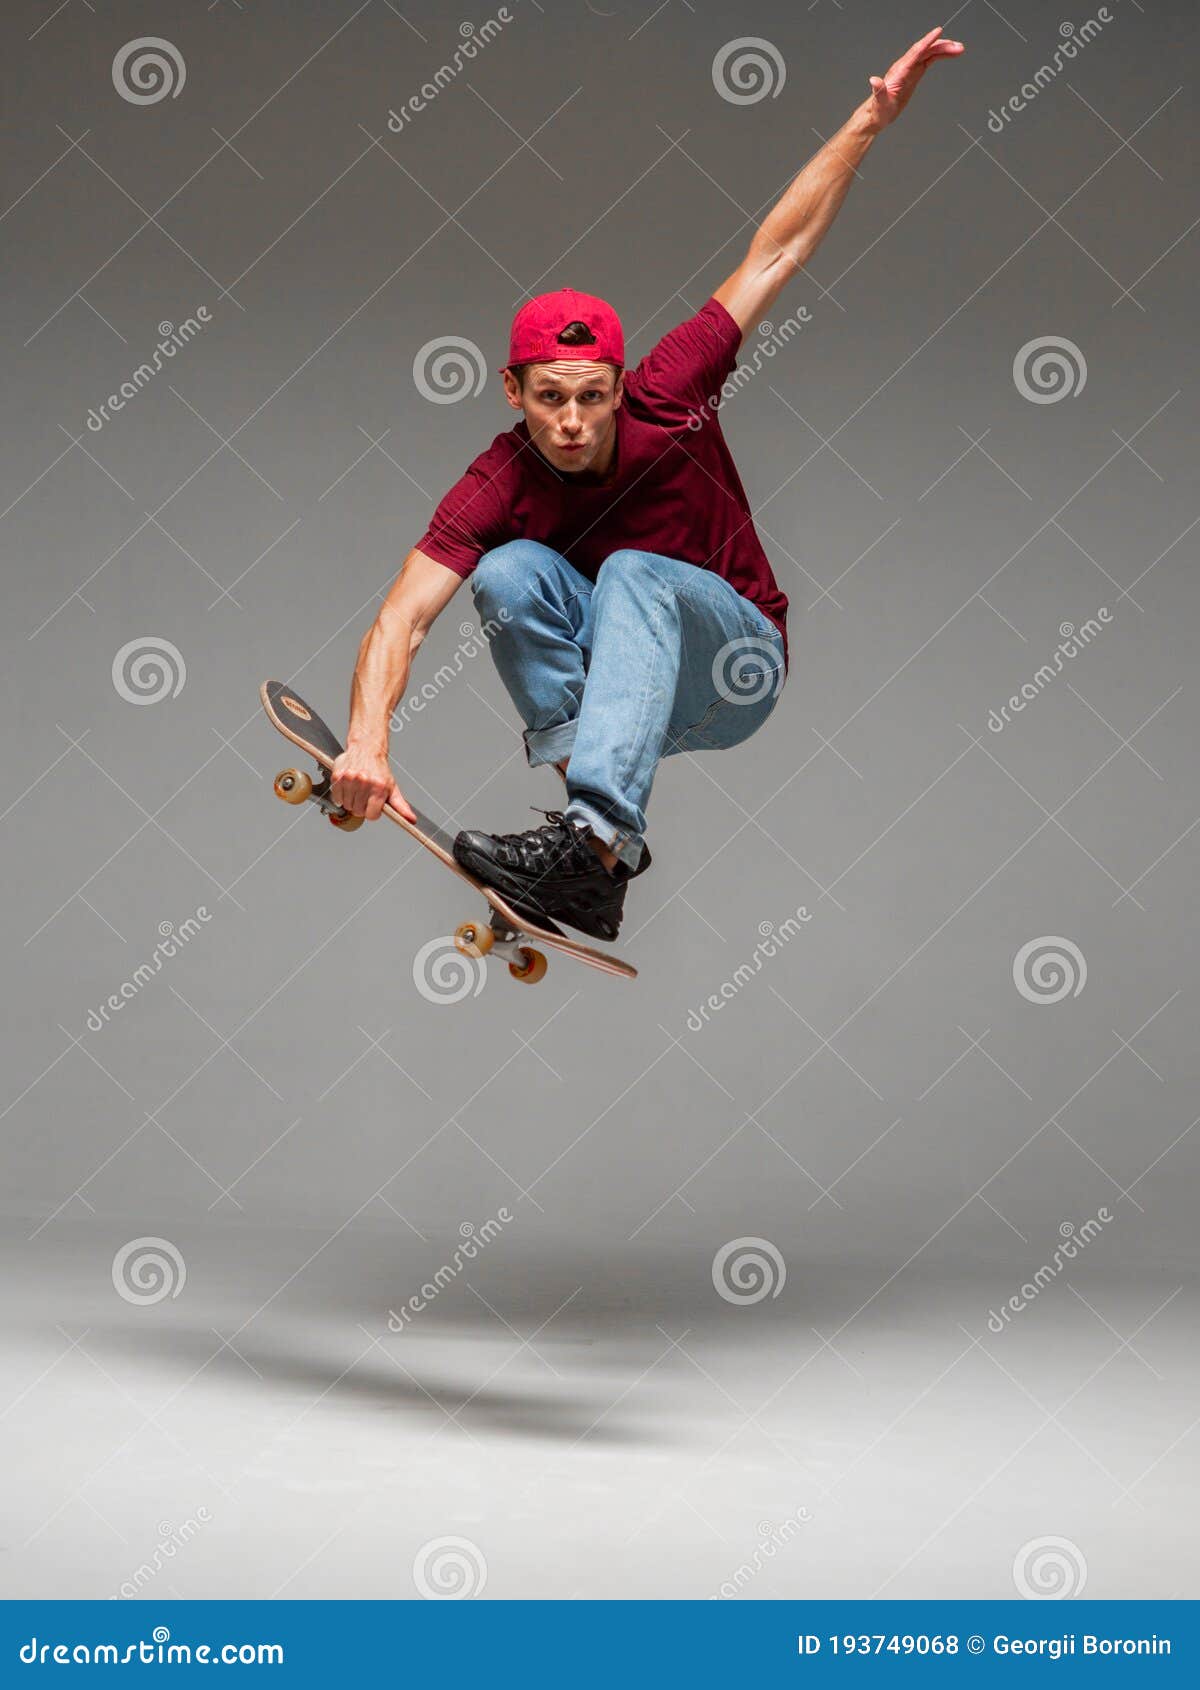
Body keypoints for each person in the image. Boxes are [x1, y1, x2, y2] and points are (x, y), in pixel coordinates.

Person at [331, 26, 963, 942]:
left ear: (624, 386)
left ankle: (589, 841)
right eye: (550, 400)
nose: (574, 422)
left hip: (732, 668)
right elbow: (405, 616)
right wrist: (367, 745)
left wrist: (870, 118)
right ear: (513, 391)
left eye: (594, 398)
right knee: (505, 574)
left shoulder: (674, 390)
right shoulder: (497, 480)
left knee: (631, 568)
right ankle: (598, 859)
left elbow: (775, 254)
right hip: (622, 683)